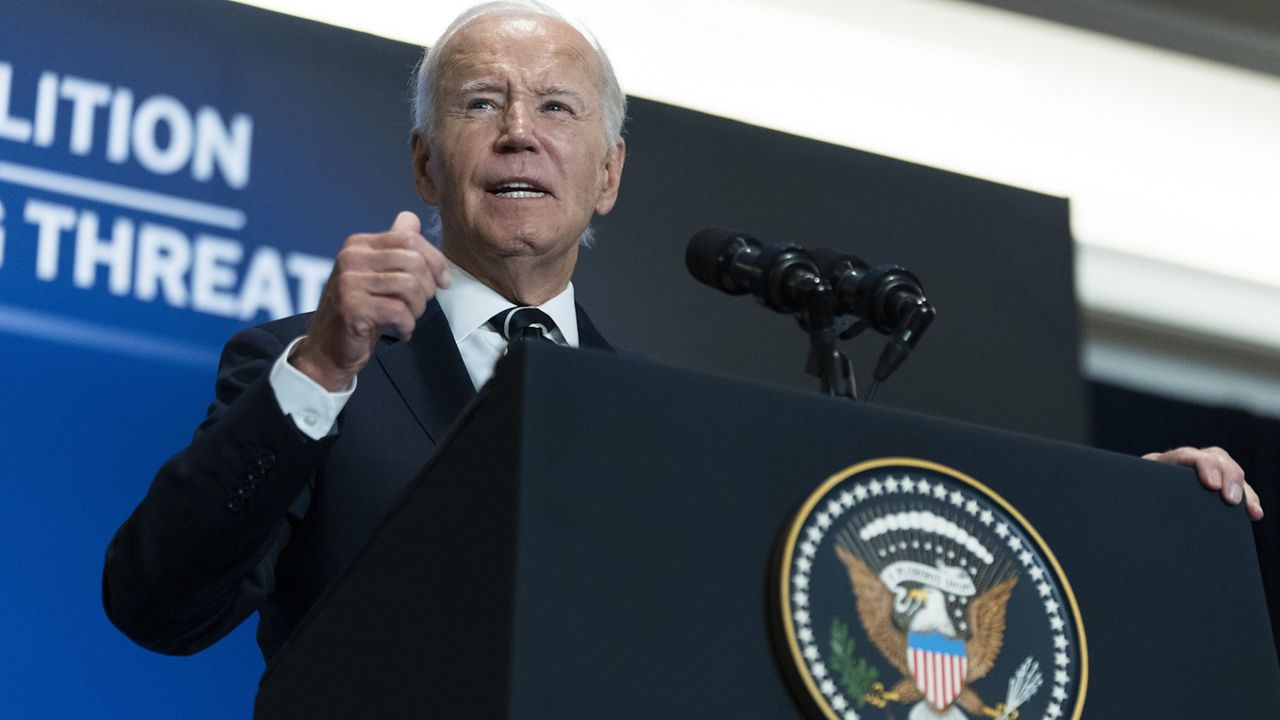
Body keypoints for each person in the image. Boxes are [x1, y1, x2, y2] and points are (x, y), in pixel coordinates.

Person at [101, 0, 1261, 664]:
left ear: (605, 177)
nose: (518, 132)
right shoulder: (306, 364)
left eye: (555, 109)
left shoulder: (653, 421)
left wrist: (1135, 522)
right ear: (424, 161)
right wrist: (322, 369)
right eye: (479, 105)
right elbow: (159, 606)